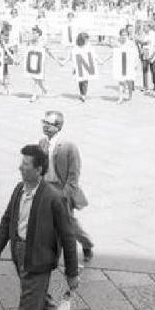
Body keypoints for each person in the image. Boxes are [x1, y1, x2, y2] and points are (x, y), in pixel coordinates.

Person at [0, 144, 79, 310]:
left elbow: (68, 237)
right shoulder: (19, 189)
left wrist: (72, 273)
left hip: (38, 261)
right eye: (21, 163)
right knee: (41, 303)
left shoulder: (54, 197)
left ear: (38, 170)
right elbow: (7, 220)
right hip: (20, 255)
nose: (20, 167)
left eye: (26, 164)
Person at [38, 111, 93, 263]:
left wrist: (65, 194)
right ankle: (53, 256)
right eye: (44, 122)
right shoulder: (42, 143)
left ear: (58, 127)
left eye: (49, 124)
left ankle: (86, 244)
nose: (45, 126)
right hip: (47, 188)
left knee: (68, 224)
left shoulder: (68, 147)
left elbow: (74, 175)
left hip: (62, 190)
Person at [136, 21, 155, 92]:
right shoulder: (142, 34)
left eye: (145, 26)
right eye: (143, 26)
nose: (144, 28)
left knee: (153, 70)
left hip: (152, 53)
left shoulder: (154, 35)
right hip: (145, 53)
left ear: (149, 27)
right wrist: (140, 50)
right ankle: (145, 86)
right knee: (145, 70)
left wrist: (153, 55)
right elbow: (139, 43)